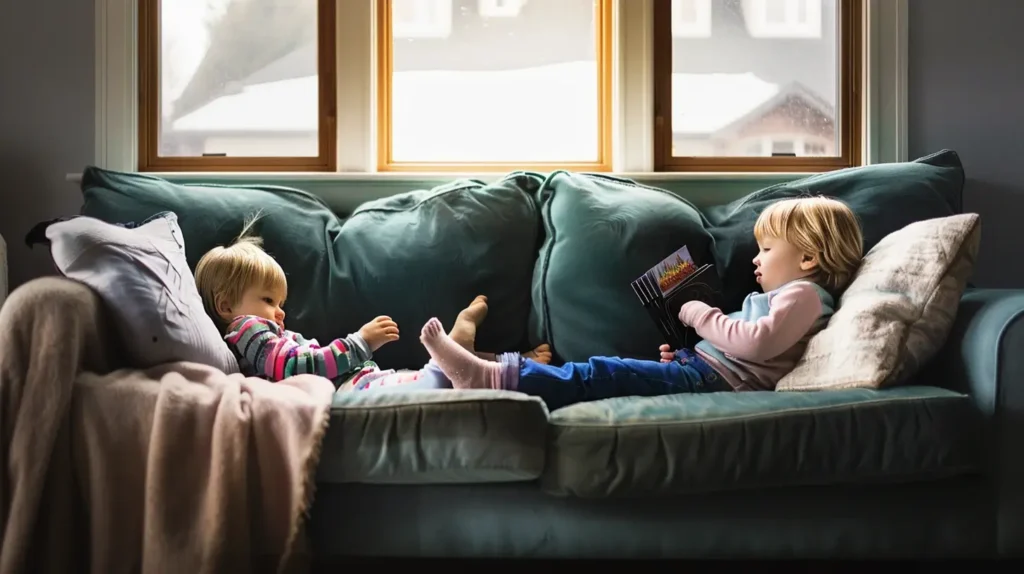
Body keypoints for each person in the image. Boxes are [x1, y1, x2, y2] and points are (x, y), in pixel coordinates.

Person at [415, 196, 864, 411]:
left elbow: (758, 343)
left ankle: (487, 374)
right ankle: (489, 363)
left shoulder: (804, 295)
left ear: (808, 257)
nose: (756, 258)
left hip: (713, 383)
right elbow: (747, 343)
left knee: (600, 374)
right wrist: (691, 350)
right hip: (703, 370)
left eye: (767, 249)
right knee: (602, 372)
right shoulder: (789, 297)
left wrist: (698, 314)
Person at [194, 220, 551, 390]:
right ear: (226, 306)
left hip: (363, 382)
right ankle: (490, 356)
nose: (280, 312)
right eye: (269, 300)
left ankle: (498, 358)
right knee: (436, 382)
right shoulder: (249, 331)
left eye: (280, 302)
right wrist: (360, 342)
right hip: (358, 390)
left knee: (437, 379)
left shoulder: (261, 334)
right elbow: (298, 368)